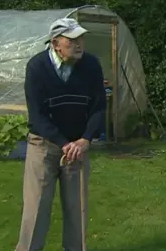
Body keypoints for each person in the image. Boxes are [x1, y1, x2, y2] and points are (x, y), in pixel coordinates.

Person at [15, 18, 106, 251]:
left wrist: (85, 139)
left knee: (78, 210)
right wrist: (64, 143)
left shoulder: (92, 65)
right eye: (72, 40)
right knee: (36, 210)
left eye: (81, 39)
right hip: (43, 145)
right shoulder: (37, 67)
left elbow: (98, 107)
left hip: (78, 145)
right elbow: (37, 115)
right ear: (56, 43)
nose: (79, 44)